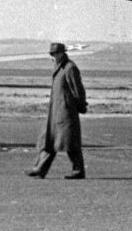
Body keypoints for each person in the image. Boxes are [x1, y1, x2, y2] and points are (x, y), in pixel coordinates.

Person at [25, 42, 88, 179]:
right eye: (52, 54)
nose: (54, 56)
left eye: (56, 53)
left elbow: (77, 89)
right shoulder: (58, 67)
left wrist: (81, 105)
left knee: (69, 142)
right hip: (56, 111)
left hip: (66, 111)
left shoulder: (69, 68)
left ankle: (78, 171)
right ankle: (40, 169)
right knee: (49, 140)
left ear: (62, 53)